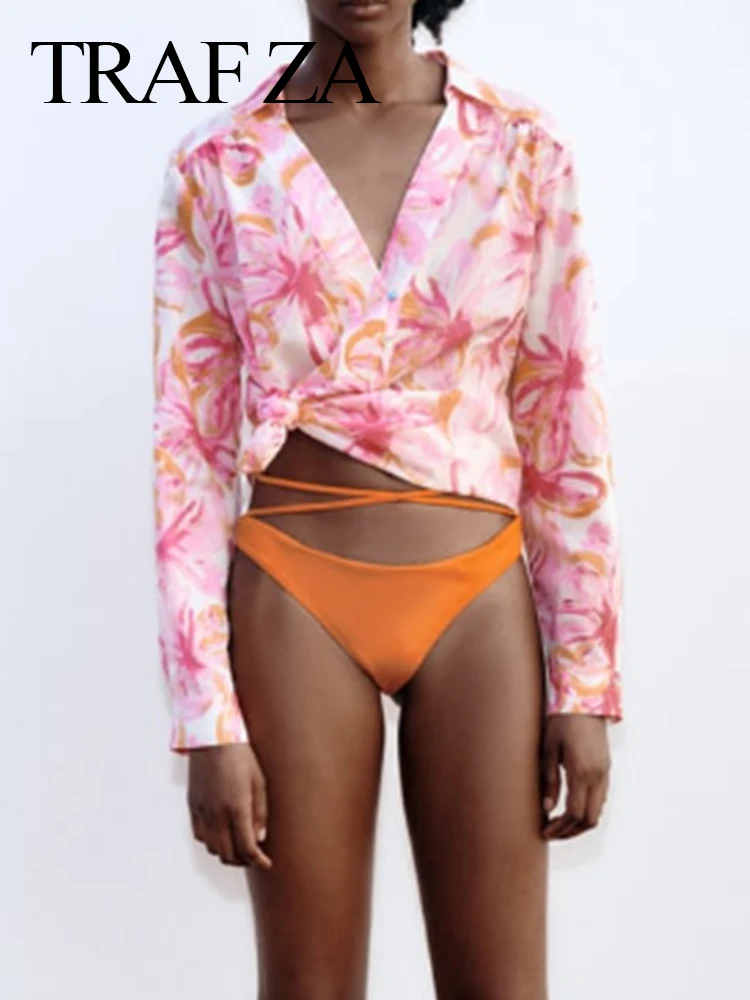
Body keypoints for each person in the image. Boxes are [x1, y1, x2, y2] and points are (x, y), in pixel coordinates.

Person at [151, 1, 623, 996]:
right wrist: (207, 713)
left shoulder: (522, 146)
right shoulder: (219, 164)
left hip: (476, 595)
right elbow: (187, 446)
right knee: (308, 987)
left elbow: (563, 413)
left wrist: (584, 684)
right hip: (294, 588)